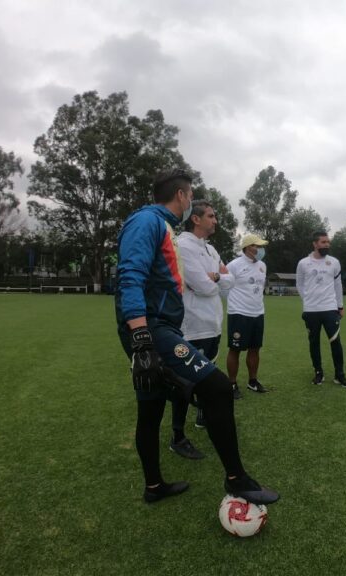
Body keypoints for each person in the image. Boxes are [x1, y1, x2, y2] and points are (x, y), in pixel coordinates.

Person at [115, 168, 278, 505]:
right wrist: (142, 336)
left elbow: (218, 279)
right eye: (191, 195)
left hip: (160, 327)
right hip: (153, 328)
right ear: (182, 196)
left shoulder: (165, 228)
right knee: (218, 388)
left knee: (151, 406)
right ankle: (237, 479)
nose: (192, 201)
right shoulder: (147, 221)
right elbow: (129, 275)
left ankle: (154, 486)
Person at [168, 199, 232, 458]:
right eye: (211, 216)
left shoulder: (211, 249)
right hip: (192, 325)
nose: (215, 220)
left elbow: (229, 282)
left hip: (213, 323)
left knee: (208, 376)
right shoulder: (183, 245)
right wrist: (218, 279)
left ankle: (202, 415)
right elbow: (204, 287)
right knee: (184, 383)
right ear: (196, 219)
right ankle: (177, 436)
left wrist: (215, 278)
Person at [295, 231, 346, 388]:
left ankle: (339, 375)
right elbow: (299, 284)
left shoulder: (334, 262)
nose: (327, 244)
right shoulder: (303, 263)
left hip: (330, 309)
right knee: (314, 342)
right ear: (315, 244)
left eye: (328, 242)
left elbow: (337, 285)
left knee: (336, 342)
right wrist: (306, 300)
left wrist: (340, 306)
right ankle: (318, 373)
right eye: (323, 242)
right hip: (311, 310)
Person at [225, 234, 269, 396]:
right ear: (247, 247)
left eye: (260, 246)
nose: (259, 250)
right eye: (256, 246)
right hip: (239, 314)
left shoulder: (263, 266)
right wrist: (234, 303)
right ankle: (232, 384)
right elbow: (223, 286)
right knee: (235, 349)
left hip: (258, 313)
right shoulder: (234, 265)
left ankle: (253, 381)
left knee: (255, 349)